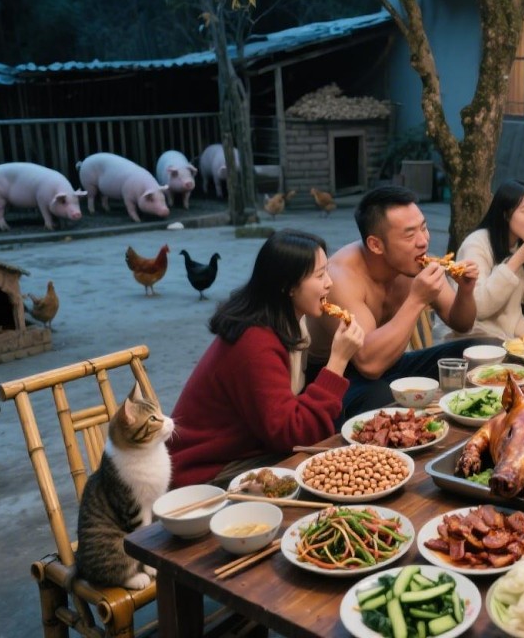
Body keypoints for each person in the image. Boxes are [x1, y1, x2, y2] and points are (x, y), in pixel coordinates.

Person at [169, 229, 365, 488]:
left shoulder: (286, 321)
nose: (329, 283)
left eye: (327, 271)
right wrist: (337, 361)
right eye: (319, 275)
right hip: (206, 472)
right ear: (287, 286)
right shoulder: (255, 341)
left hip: (249, 448)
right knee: (331, 470)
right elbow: (294, 435)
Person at [305, 186, 481, 418]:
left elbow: (462, 323)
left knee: (476, 351)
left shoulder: (413, 263)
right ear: (376, 245)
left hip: (389, 365)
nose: (423, 241)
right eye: (410, 235)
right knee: (383, 400)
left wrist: (465, 291)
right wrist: (417, 300)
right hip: (334, 376)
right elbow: (369, 365)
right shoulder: (341, 277)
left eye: (424, 228)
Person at [455, 180, 524, 339]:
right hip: (476, 335)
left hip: (513, 328)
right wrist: (516, 260)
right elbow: (479, 308)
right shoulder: (476, 244)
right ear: (505, 214)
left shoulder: (522, 244)